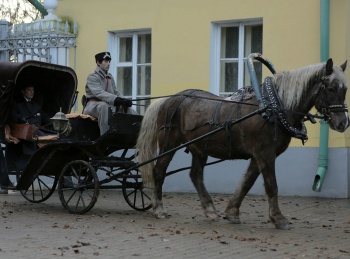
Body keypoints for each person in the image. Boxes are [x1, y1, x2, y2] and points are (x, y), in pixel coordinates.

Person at [83, 51, 137, 135]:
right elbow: (99, 93)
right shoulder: (92, 76)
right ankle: (106, 135)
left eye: (109, 61)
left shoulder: (110, 77)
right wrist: (115, 99)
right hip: (93, 105)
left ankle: (135, 132)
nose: (108, 64)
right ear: (98, 62)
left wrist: (124, 100)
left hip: (108, 105)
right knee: (104, 107)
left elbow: (116, 92)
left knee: (128, 109)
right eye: (106, 61)